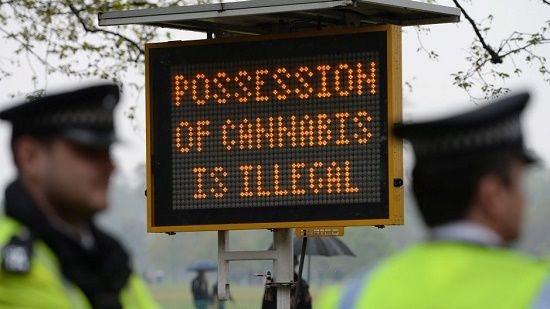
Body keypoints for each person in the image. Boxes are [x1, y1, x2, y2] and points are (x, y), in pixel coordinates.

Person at [318, 92, 550, 308]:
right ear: (492, 196)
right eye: (518, 185)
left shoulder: (349, 298)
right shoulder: (540, 292)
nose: (524, 199)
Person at [0, 84, 159, 308]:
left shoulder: (112, 260)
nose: (111, 167)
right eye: (89, 151)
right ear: (30, 157)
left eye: (108, 152)